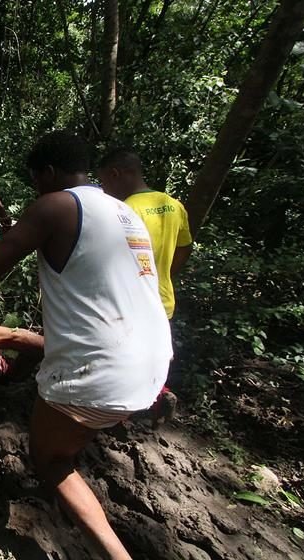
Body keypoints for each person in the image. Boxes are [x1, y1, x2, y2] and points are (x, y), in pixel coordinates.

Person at [0, 131, 172, 560]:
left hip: (103, 370)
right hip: (155, 360)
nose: (35, 189)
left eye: (34, 179)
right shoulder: (123, 211)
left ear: (47, 172)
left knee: (48, 458)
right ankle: (110, 420)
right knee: (76, 422)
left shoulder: (53, 205)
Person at [98, 148, 193, 422]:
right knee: (150, 355)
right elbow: (185, 249)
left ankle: (118, 417)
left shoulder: (123, 210)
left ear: (116, 174)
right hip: (162, 299)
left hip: (130, 301)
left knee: (121, 359)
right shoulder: (174, 205)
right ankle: (158, 396)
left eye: (104, 181)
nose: (104, 188)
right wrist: (163, 276)